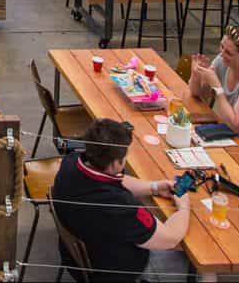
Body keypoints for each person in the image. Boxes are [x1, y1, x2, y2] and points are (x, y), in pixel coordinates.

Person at [52, 117, 194, 282]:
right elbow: (170, 238)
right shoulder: (121, 205)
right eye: (124, 157)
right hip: (116, 271)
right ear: (114, 164)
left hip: (77, 258)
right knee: (195, 262)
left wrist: (153, 187)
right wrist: (184, 207)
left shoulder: (71, 163)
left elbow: (116, 179)